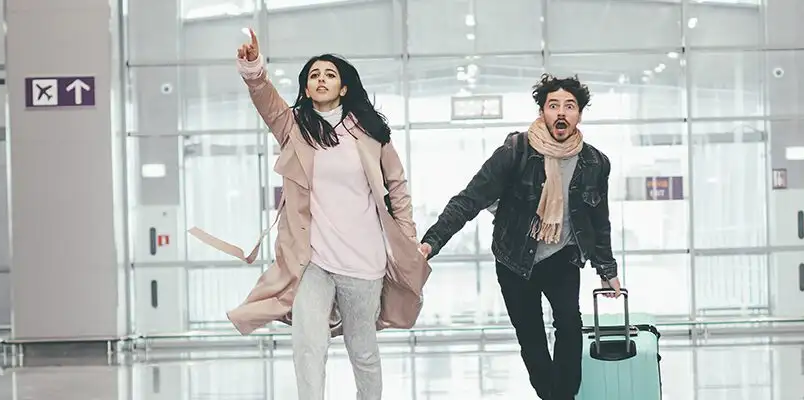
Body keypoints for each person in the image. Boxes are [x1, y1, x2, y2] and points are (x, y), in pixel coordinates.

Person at [190, 29, 430, 400]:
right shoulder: (295, 129)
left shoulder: (371, 133)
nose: (321, 79)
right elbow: (266, 101)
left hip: (364, 261)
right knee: (307, 345)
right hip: (312, 261)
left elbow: (397, 188)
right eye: (314, 75)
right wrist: (253, 68)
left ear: (344, 87)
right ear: (305, 88)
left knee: (362, 349)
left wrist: (409, 240)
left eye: (330, 74)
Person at [417, 74, 622, 400]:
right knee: (531, 338)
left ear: (579, 114)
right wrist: (432, 242)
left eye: (569, 106)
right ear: (542, 111)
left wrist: (607, 271)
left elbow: (599, 221)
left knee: (569, 326)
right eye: (553, 105)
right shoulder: (516, 151)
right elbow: (469, 199)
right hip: (515, 260)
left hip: (562, 258)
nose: (561, 113)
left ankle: (564, 397)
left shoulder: (594, 162)